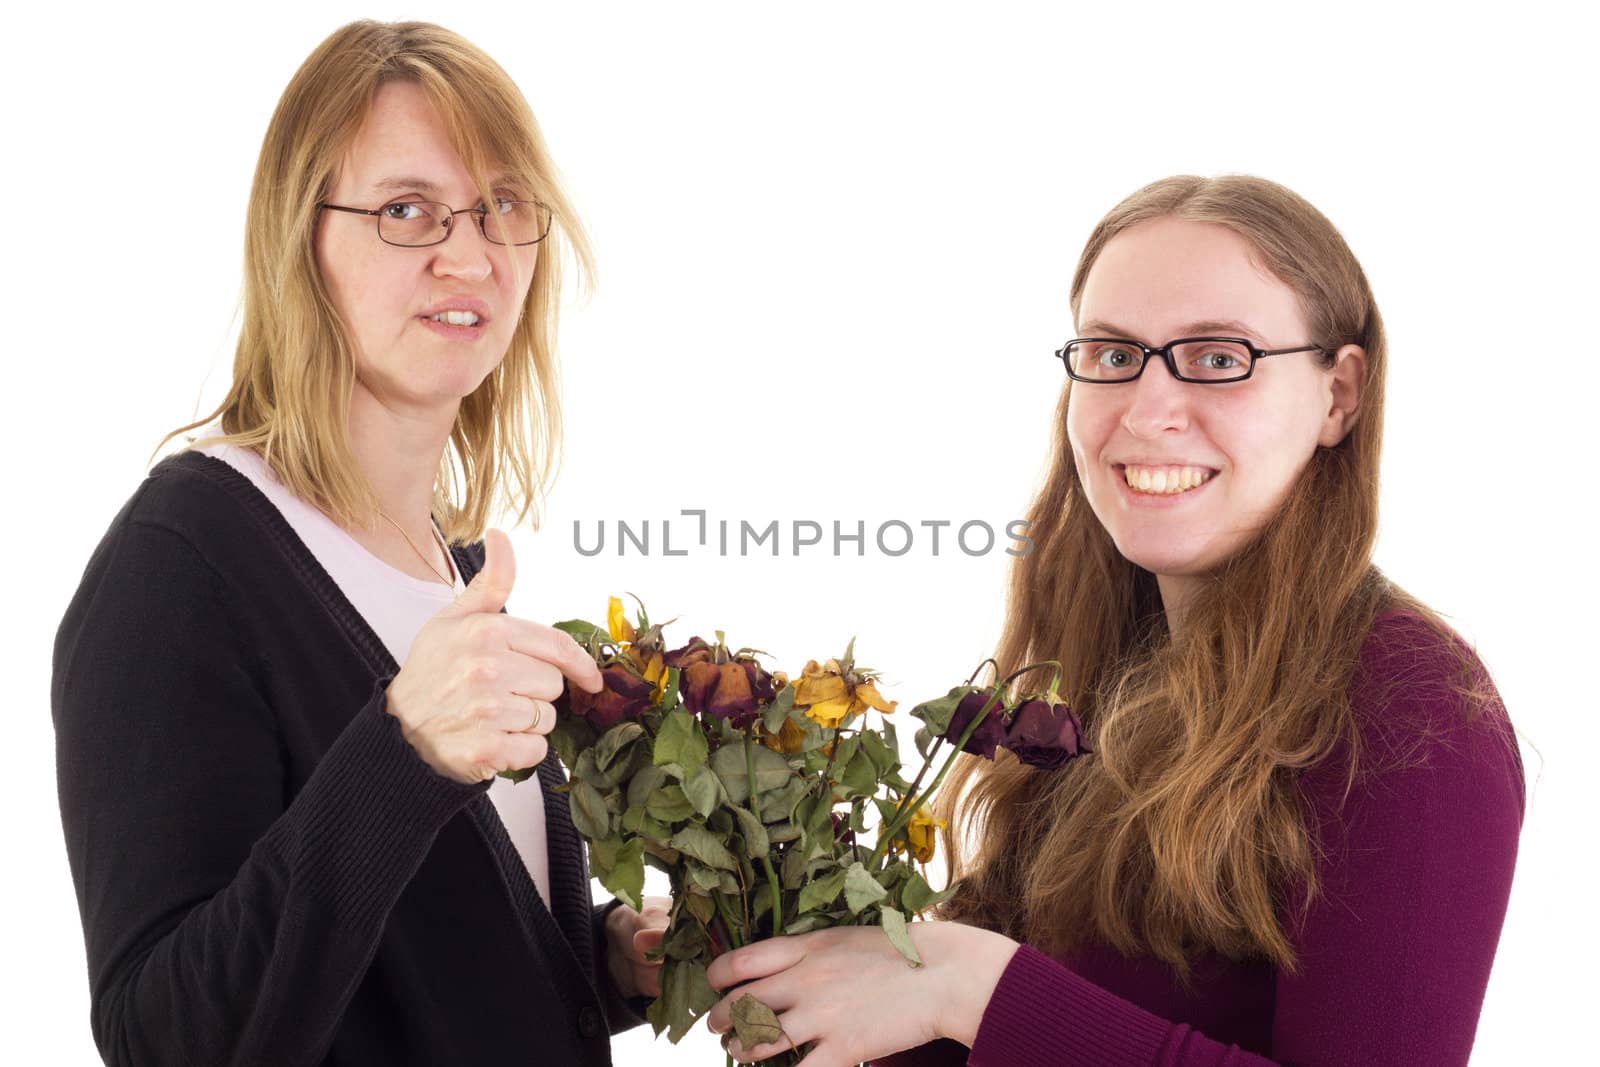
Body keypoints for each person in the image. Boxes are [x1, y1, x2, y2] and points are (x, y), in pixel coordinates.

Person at [701, 175, 1525, 1066]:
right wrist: (775, 934)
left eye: (1218, 359)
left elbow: (1005, 1011)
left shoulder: (1413, 710)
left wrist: (971, 986)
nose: (1148, 409)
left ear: (1339, 396)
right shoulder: (1104, 665)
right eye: (1114, 354)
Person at [52, 20, 667, 1066]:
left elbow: (415, 961)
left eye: (503, 204)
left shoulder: (455, 562)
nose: (470, 254)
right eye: (405, 211)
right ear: (301, 240)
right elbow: (166, 1036)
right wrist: (405, 753)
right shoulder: (180, 566)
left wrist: (611, 956)